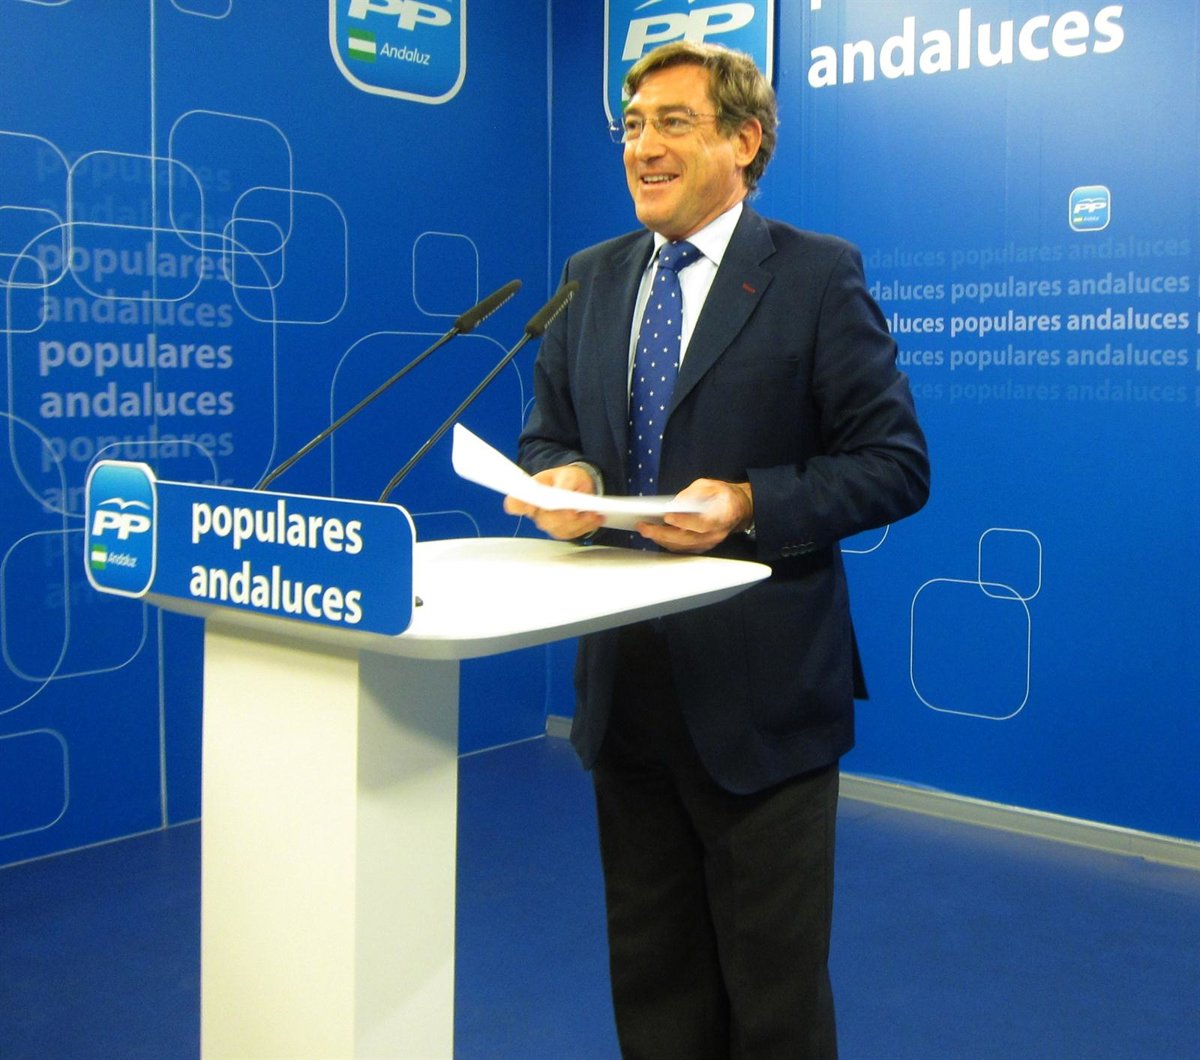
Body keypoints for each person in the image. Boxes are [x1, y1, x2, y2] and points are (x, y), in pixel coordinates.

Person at [504, 40, 930, 1059]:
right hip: (626, 692)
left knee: (773, 1002)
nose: (643, 146)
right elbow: (548, 435)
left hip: (762, 698)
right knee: (655, 987)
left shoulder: (816, 276)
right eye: (632, 126)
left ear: (745, 141)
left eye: (673, 123)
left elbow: (894, 464)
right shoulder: (590, 278)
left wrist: (746, 502)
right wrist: (567, 479)